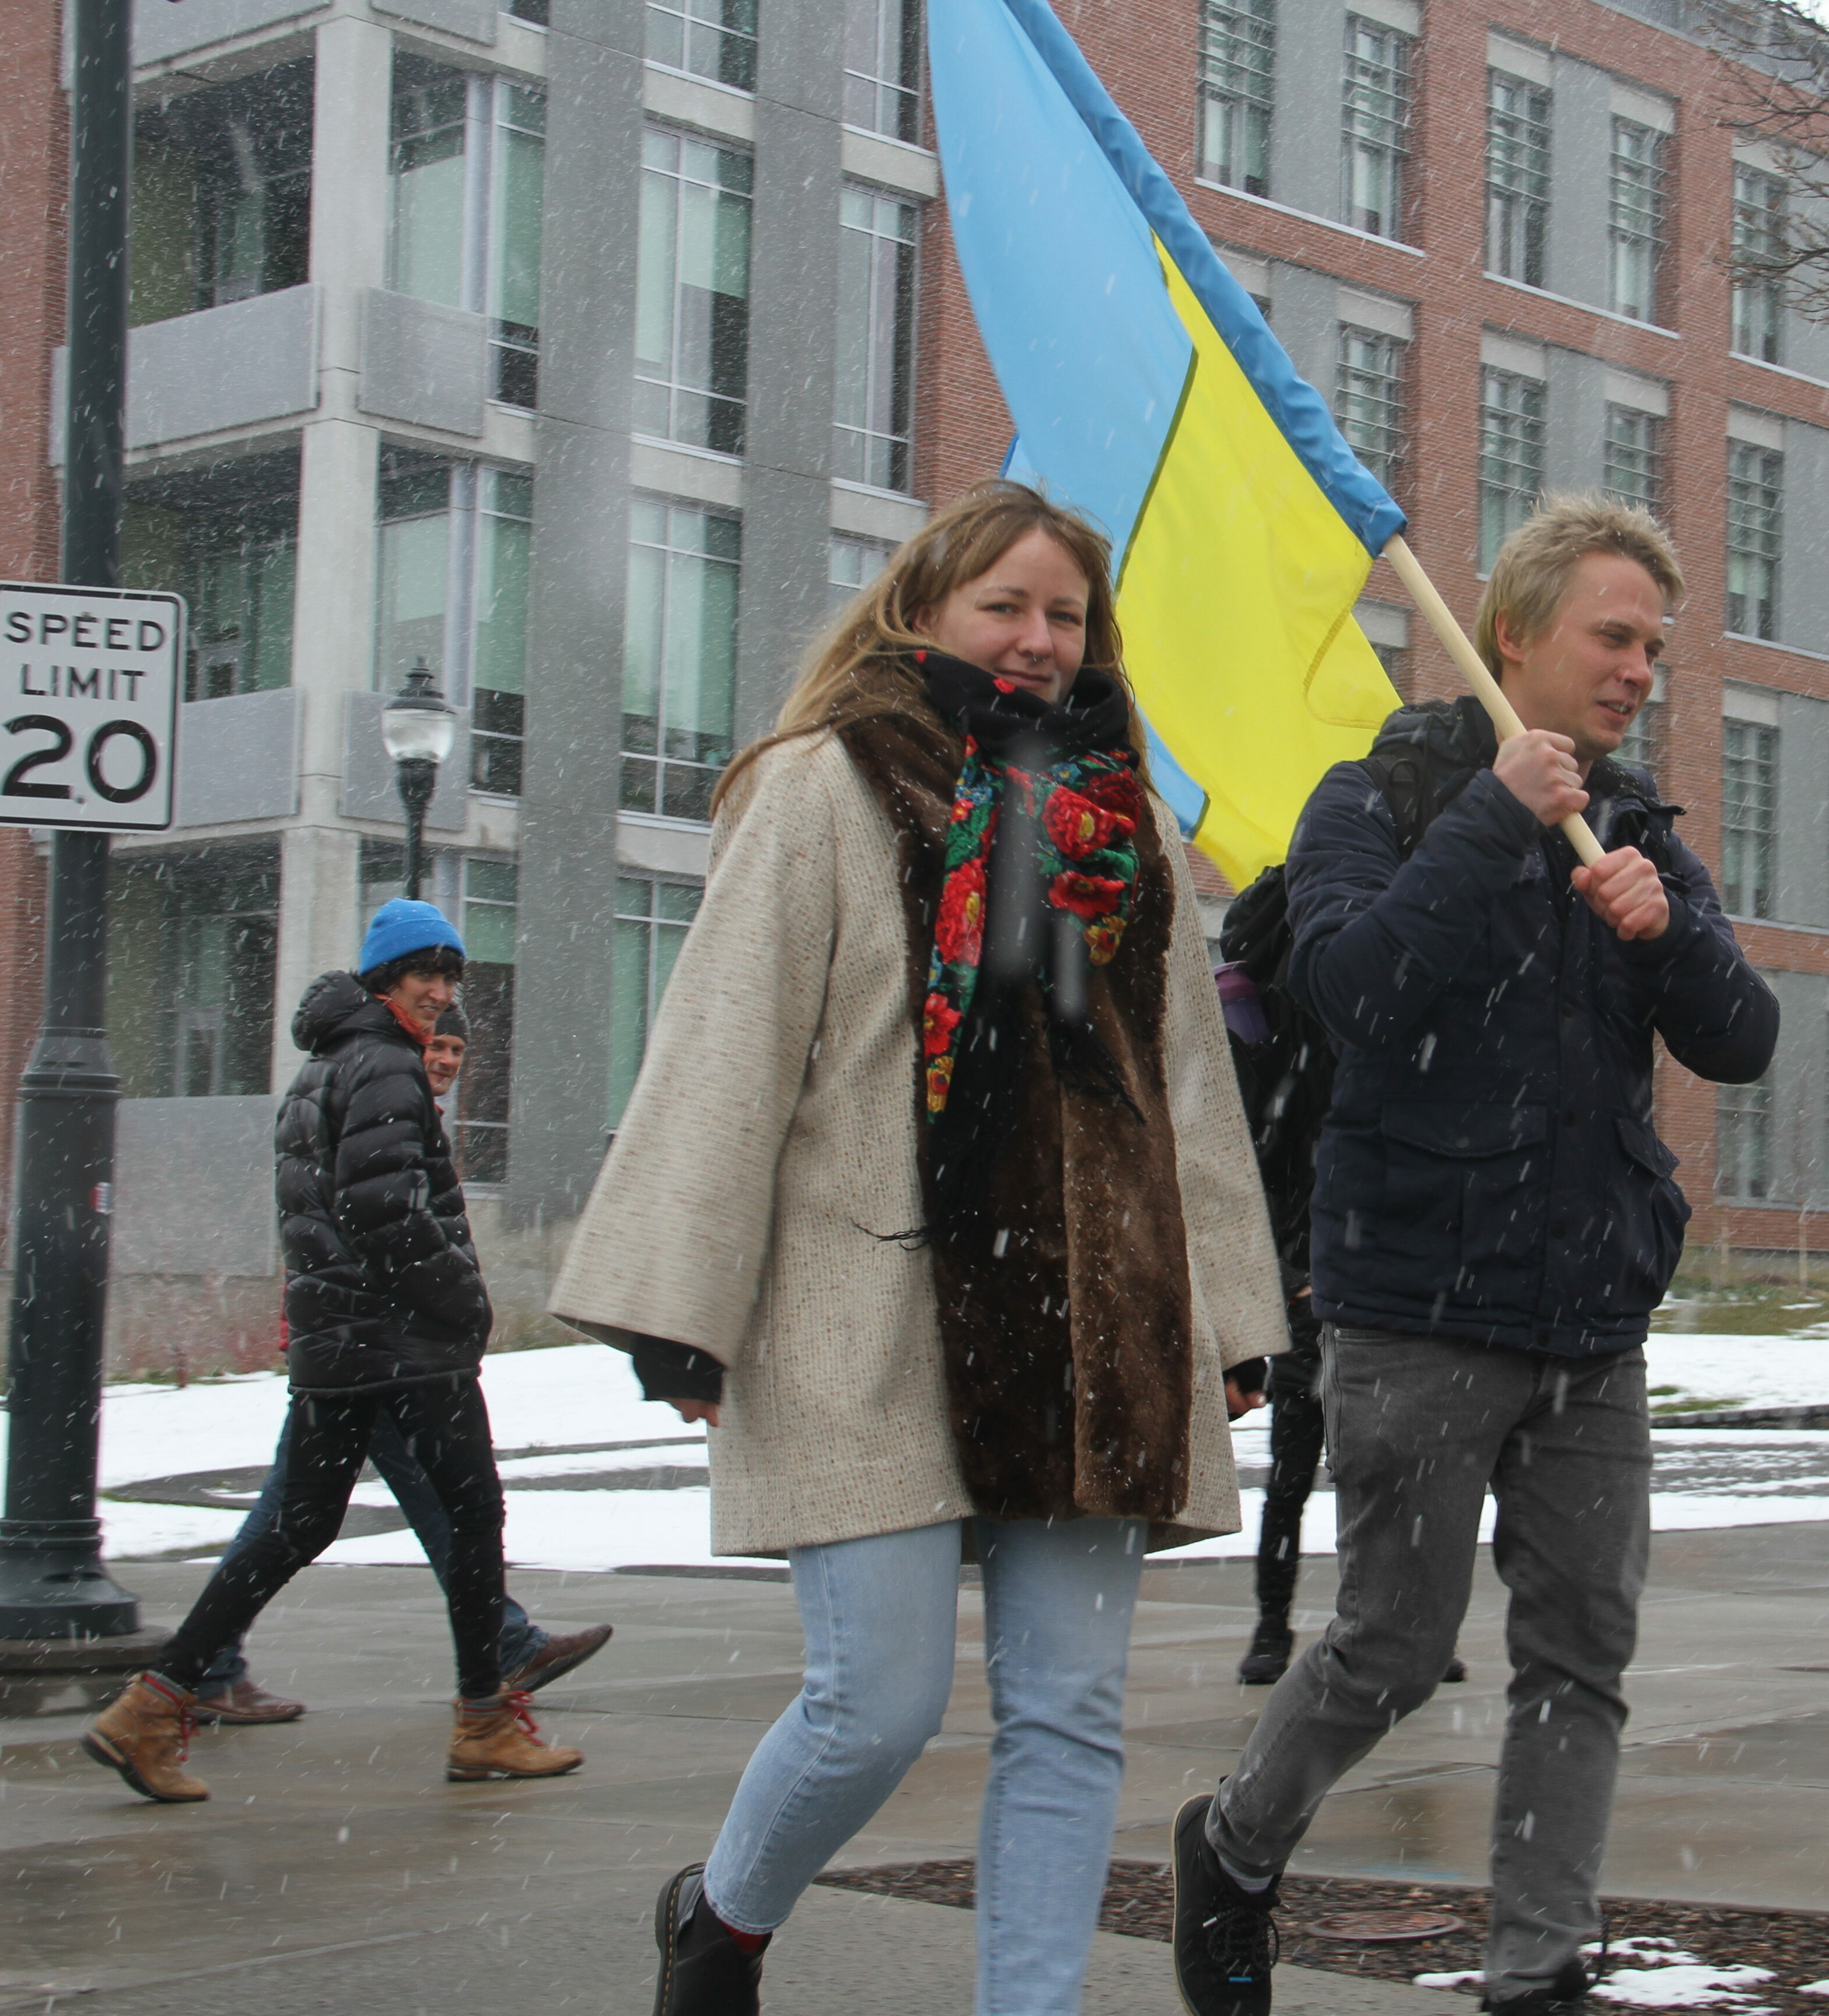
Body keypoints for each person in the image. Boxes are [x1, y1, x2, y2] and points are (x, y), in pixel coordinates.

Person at [545, 482, 1286, 2016]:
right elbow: (726, 1045)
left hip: (1098, 1318)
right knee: (873, 1705)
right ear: (925, 610)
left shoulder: (1126, 820)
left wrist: (1228, 1316)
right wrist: (678, 1313)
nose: (1034, 639)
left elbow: (1180, 1090)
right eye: (1003, 605)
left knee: (1068, 1715)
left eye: (1063, 614)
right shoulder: (825, 785)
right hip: (866, 1309)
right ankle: (728, 1920)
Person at [1170, 498, 1778, 2016]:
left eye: (1655, 645)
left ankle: (1537, 1967)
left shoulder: (1636, 830)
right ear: (1513, 635)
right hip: (1418, 1310)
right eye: (1613, 636)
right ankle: (1236, 1847)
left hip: (1593, 1319)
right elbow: (1352, 988)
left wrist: (1673, 939)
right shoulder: (1373, 798)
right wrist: (1495, 815)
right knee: (1391, 1642)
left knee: (1580, 1657)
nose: (1640, 670)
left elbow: (1745, 1037)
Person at [84, 901, 583, 1801]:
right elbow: (385, 1209)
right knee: (473, 1519)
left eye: (450, 976)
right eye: (425, 973)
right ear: (385, 978)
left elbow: (325, 1210)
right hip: (404, 1344)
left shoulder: (324, 1067)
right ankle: (483, 1724)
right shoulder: (387, 1065)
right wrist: (463, 1303)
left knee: (297, 1524)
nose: (439, 992)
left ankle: (150, 1709)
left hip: (336, 1342)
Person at [183, 1003, 613, 1728]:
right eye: (436, 1043)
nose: (445, 1059)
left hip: (368, 1343)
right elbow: (366, 1221)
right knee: (428, 1508)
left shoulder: (373, 1094)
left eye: (455, 1049)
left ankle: (199, 1669)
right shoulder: (378, 1097)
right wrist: (459, 1308)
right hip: (376, 1347)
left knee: (320, 1509)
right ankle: (498, 1656)